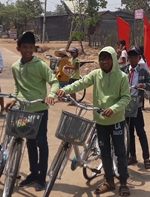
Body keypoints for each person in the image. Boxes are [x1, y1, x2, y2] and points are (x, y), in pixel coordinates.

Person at [58, 46, 131, 196]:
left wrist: (114, 108)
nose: (104, 61)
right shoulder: (95, 74)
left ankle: (123, 182)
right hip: (100, 121)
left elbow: (126, 98)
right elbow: (80, 83)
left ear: (113, 59)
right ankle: (109, 181)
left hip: (116, 120)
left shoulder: (122, 77)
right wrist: (64, 89)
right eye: (102, 58)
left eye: (107, 58)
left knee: (120, 152)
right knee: (104, 152)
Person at [5, 31, 58, 191]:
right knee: (30, 142)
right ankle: (33, 173)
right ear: (18, 48)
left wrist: (51, 95)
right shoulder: (15, 67)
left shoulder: (40, 65)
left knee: (42, 142)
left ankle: (42, 177)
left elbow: (54, 82)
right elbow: (17, 85)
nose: (28, 50)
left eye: (31, 47)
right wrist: (14, 98)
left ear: (34, 48)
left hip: (40, 110)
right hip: (24, 111)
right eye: (25, 47)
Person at [125, 45, 150, 169]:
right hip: (125, 104)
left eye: (135, 56)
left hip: (136, 105)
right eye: (130, 56)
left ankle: (146, 158)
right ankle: (132, 156)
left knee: (140, 132)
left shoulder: (142, 72)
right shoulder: (122, 71)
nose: (132, 59)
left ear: (139, 58)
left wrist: (144, 85)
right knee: (128, 132)